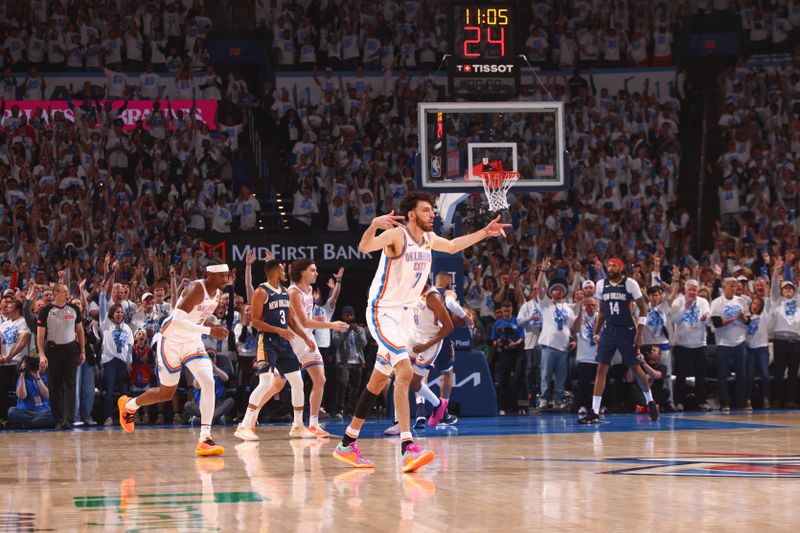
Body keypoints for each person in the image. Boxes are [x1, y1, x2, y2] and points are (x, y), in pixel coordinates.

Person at [332, 191, 510, 472]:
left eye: (433, 210)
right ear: (412, 214)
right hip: (383, 312)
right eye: (427, 211)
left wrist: (485, 233)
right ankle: (408, 448)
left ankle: (346, 443)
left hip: (404, 318)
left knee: (378, 382)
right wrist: (375, 224)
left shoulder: (428, 239)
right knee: (404, 372)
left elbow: (452, 245)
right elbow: (365, 247)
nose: (433, 215)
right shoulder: (397, 236)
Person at [117, 262, 230, 456]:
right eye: (222, 275)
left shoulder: (217, 294)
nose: (225, 279)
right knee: (166, 394)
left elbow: (196, 319)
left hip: (191, 341)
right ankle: (128, 405)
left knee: (208, 381)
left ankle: (205, 438)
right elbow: (178, 320)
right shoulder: (196, 288)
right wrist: (210, 330)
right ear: (210, 275)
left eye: (227, 275)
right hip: (170, 340)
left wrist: (210, 324)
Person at [235, 259, 317, 441]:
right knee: (265, 382)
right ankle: (244, 425)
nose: (285, 273)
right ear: (274, 273)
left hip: (284, 343)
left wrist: (305, 337)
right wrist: (278, 329)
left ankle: (297, 425)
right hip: (267, 342)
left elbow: (291, 320)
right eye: (282, 270)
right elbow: (255, 321)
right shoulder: (261, 292)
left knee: (297, 382)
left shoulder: (285, 293)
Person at [579, 258, 659, 424]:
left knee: (636, 368)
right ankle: (594, 411)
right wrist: (596, 330)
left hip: (627, 330)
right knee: (601, 368)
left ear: (621, 268)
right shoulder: (601, 284)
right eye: (609, 265)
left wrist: (640, 332)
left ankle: (650, 401)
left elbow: (643, 308)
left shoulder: (629, 283)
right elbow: (602, 311)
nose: (611, 267)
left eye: (614, 265)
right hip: (610, 329)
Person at [286, 259, 348, 437]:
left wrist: (318, 321)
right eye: (313, 270)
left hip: (308, 341)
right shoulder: (294, 292)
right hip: (293, 342)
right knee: (276, 385)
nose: (316, 273)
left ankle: (313, 424)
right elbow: (303, 322)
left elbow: (307, 318)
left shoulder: (310, 290)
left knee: (320, 379)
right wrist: (331, 325)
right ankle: (250, 418)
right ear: (302, 273)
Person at [384, 283, 455, 435]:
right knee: (400, 377)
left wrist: (426, 346)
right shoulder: (412, 291)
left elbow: (449, 327)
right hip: (415, 337)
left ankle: (438, 406)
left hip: (430, 342)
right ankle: (399, 423)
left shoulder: (433, 297)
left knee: (414, 383)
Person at [37, 283, 86, 430]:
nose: (67, 294)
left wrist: (82, 351)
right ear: (56, 293)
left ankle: (68, 419)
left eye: (67, 291)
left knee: (70, 384)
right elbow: (40, 335)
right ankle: (58, 419)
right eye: (64, 291)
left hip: (71, 349)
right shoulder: (46, 311)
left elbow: (80, 331)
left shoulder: (74, 309)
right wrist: (41, 354)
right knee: (55, 385)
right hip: (52, 350)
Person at [427, 271, 471, 426]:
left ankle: (419, 412)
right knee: (447, 373)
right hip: (442, 335)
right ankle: (442, 412)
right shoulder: (446, 292)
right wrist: (466, 319)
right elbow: (452, 304)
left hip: (425, 335)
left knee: (421, 375)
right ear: (447, 282)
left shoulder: (426, 293)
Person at [537, 261, 575, 410]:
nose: (558, 292)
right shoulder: (546, 304)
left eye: (561, 290)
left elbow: (573, 328)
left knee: (561, 376)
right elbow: (539, 288)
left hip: (563, 346)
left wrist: (574, 341)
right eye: (555, 289)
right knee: (545, 375)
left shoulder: (569, 308)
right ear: (551, 292)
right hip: (548, 345)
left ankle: (558, 399)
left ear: (565, 292)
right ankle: (544, 399)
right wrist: (542, 271)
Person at [710, 277, 750, 411]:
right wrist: (733, 319)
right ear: (725, 286)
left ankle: (741, 402)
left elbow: (748, 320)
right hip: (723, 343)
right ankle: (724, 402)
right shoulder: (717, 302)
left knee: (741, 374)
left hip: (739, 341)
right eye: (732, 286)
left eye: (736, 286)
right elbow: (716, 323)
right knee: (723, 375)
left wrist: (743, 318)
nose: (735, 289)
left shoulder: (741, 301)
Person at [670, 278, 711, 411]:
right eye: (690, 289)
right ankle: (679, 402)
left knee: (700, 376)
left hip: (699, 344)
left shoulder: (703, 302)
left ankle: (702, 402)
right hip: (682, 345)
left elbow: (708, 320)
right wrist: (684, 308)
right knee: (681, 376)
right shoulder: (678, 301)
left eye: (695, 289)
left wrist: (706, 318)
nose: (693, 292)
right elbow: (674, 319)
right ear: (685, 290)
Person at [769, 255, 800, 409]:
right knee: (779, 371)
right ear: (782, 291)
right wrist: (777, 270)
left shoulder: (798, 302)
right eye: (785, 288)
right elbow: (774, 287)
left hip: (795, 341)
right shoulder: (776, 301)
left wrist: (793, 269)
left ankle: (790, 399)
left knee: (793, 373)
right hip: (780, 340)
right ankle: (777, 399)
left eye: (791, 288)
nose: (788, 290)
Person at [99, 303, 134, 425]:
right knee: (109, 390)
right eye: (117, 312)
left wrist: (129, 362)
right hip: (109, 361)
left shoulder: (127, 328)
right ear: (112, 314)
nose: (119, 314)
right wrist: (103, 293)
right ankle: (108, 417)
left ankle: (125, 417)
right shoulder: (106, 324)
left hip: (123, 362)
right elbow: (103, 309)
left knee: (124, 391)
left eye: (121, 312)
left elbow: (129, 346)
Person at [331, 306, 367, 417]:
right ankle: (339, 410)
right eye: (347, 315)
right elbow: (336, 342)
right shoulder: (338, 328)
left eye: (351, 315)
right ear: (343, 316)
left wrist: (358, 333)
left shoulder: (359, 329)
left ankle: (352, 410)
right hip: (344, 361)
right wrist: (346, 332)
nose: (350, 317)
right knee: (343, 386)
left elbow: (364, 343)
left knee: (354, 388)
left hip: (357, 362)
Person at [490, 300, 524, 415]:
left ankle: (515, 406)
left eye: (508, 310)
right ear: (502, 311)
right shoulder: (497, 323)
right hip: (504, 353)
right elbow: (494, 340)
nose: (506, 312)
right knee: (503, 380)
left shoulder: (517, 321)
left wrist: (515, 343)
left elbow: (521, 337)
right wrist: (499, 342)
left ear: (512, 309)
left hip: (516, 352)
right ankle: (502, 407)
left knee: (516, 379)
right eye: (504, 310)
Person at [184, 350, 236, 424]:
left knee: (230, 401)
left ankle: (206, 418)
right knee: (188, 405)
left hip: (217, 405)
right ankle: (213, 418)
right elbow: (196, 386)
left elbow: (226, 378)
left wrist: (213, 367)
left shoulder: (218, 371)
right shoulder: (199, 370)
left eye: (212, 357)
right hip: (201, 405)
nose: (210, 359)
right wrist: (204, 369)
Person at [0, 299, 31, 418]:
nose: (7, 308)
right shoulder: (4, 324)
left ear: (17, 309)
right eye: (6, 306)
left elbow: (22, 342)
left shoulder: (23, 321)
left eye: (10, 306)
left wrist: (9, 356)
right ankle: (3, 418)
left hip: (19, 362)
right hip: (4, 363)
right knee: (2, 392)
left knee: (21, 392)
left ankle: (20, 417)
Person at [7, 355, 54, 429]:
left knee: (53, 414)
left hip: (42, 412)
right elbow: (22, 396)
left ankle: (26, 425)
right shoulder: (22, 378)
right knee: (11, 411)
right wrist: (22, 375)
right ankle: (37, 423)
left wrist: (38, 378)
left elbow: (48, 396)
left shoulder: (43, 378)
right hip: (25, 412)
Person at [571, 296, 598, 415]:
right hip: (584, 357)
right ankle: (582, 406)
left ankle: (598, 406)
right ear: (584, 306)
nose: (591, 307)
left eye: (593, 305)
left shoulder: (600, 318)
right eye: (588, 305)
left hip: (598, 357)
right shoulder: (581, 319)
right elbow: (574, 329)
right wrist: (581, 313)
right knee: (583, 385)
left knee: (599, 385)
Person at [744, 296, 770, 410]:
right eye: (754, 303)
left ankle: (766, 398)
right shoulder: (746, 318)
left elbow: (768, 298)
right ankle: (748, 399)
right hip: (750, 349)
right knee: (749, 375)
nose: (755, 306)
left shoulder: (764, 316)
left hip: (762, 348)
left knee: (765, 375)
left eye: (758, 305)